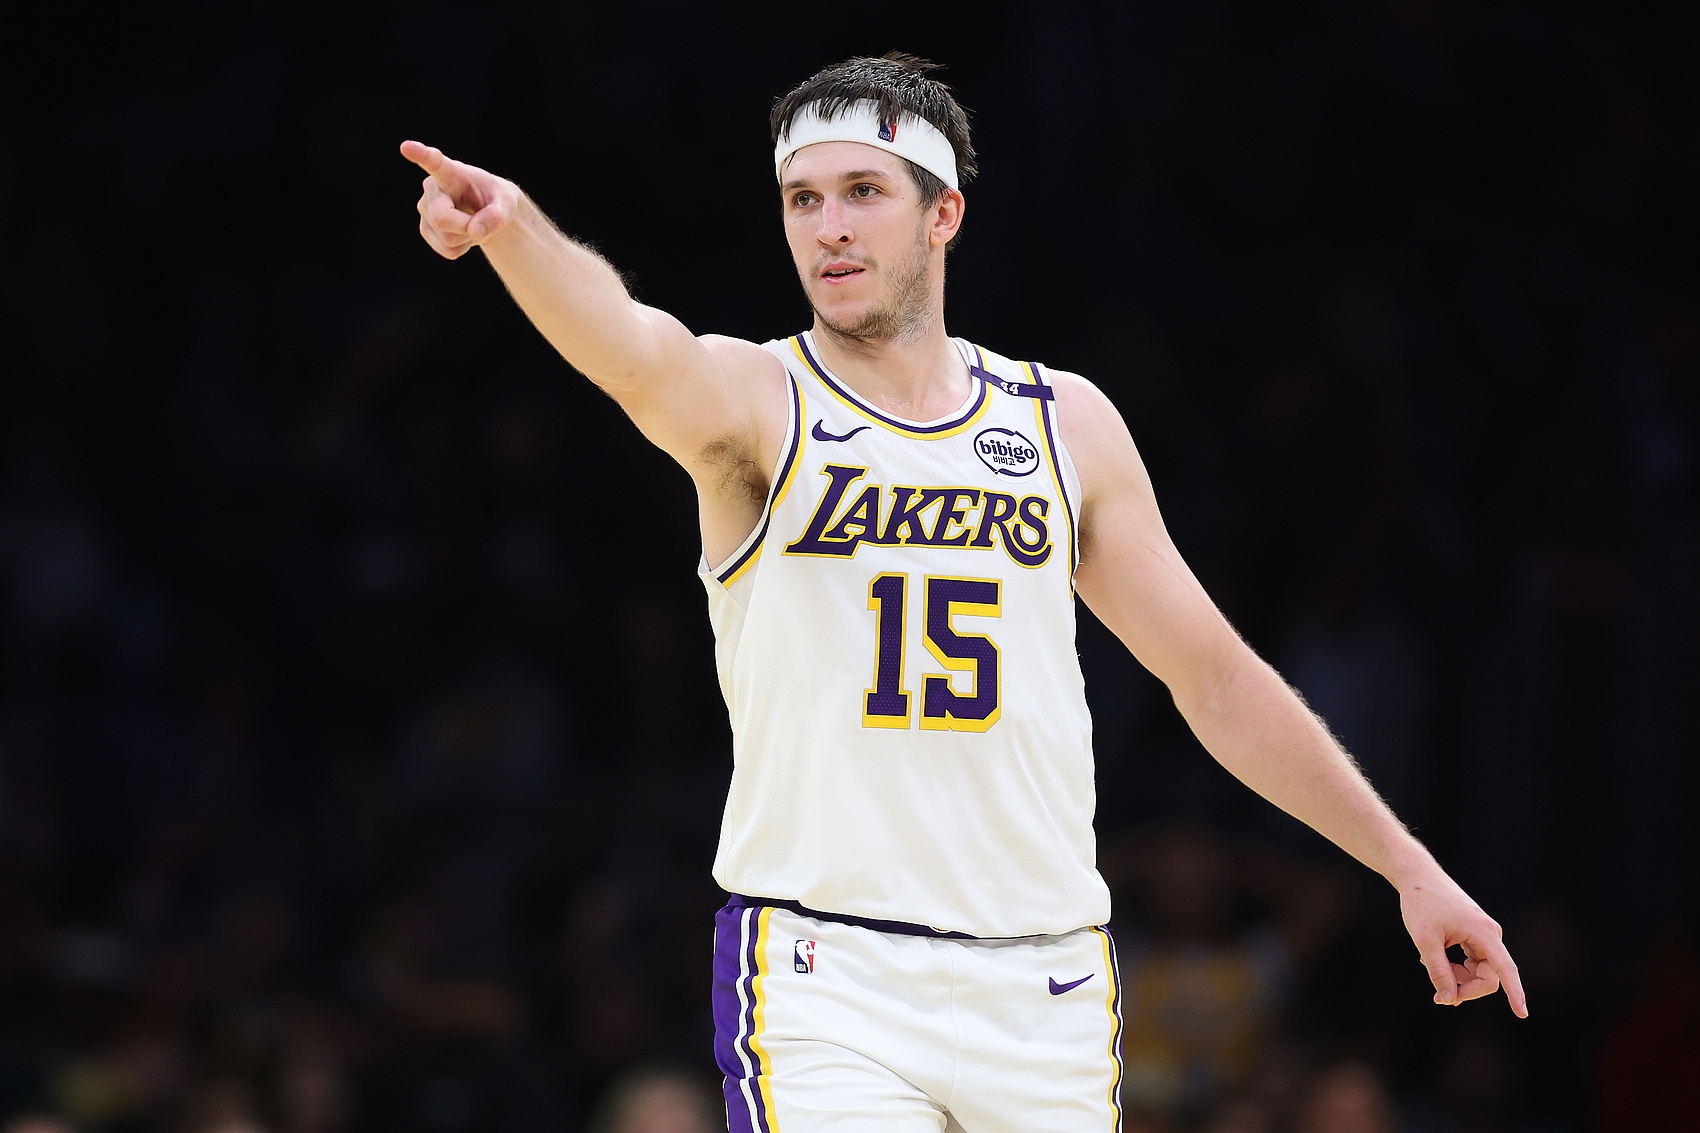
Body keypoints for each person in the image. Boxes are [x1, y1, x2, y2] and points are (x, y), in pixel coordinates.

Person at [402, 51, 1525, 1133]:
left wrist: (1407, 865)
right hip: (829, 970)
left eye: (862, 192)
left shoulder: (1063, 424)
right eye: (801, 199)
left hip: (1044, 977)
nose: (828, 226)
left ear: (942, 214)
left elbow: (1215, 677)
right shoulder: (758, 401)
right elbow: (629, 346)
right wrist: (514, 229)